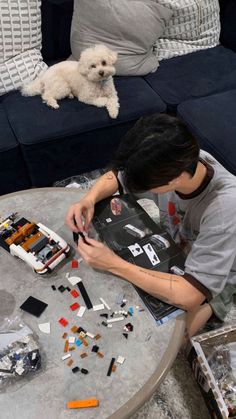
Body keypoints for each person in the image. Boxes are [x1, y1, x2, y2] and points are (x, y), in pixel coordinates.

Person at [65, 114, 236, 337]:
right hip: (174, 248)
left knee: (167, 337)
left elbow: (190, 294)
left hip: (218, 273)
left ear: (174, 180)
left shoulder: (224, 208)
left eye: (150, 186)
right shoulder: (182, 159)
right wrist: (88, 199)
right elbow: (117, 177)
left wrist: (113, 264)